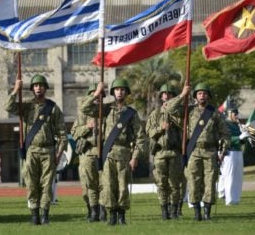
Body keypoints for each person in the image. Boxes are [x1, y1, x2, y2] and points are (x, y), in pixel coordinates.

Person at [81, 79, 146, 225]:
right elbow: (85, 108)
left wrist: (135, 157)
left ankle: (121, 215)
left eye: (122, 89)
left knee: (122, 186)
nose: (119, 92)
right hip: (107, 152)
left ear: (126, 93)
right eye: (117, 89)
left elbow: (140, 137)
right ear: (113, 92)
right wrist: (97, 93)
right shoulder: (105, 109)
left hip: (124, 153)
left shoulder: (131, 113)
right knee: (108, 185)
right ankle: (112, 216)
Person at [6, 74, 67, 225]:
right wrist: (15, 90)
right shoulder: (26, 106)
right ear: (32, 89)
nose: (38, 88)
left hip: (48, 151)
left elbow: (62, 134)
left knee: (46, 184)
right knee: (31, 183)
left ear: (46, 88)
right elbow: (8, 107)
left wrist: (58, 155)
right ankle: (34, 213)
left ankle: (45, 214)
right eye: (35, 86)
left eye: (41, 85)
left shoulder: (53, 108)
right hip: (31, 151)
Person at [165, 82, 230, 221]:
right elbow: (169, 108)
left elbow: (225, 133)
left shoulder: (214, 113)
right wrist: (183, 94)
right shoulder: (189, 111)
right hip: (193, 151)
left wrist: (223, 150)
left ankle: (207, 212)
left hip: (210, 151)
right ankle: (197, 212)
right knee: (193, 182)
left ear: (209, 96)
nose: (202, 96)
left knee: (210, 182)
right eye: (199, 93)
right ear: (195, 96)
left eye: (205, 93)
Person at [146, 83, 183, 220]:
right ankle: (164, 210)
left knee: (174, 183)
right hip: (160, 153)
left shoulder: (178, 114)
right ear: (161, 97)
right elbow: (149, 131)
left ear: (173, 97)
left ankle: (174, 211)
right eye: (164, 94)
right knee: (161, 183)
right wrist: (160, 128)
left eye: (169, 94)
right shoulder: (155, 114)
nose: (166, 96)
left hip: (174, 152)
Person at [71, 83, 105, 222]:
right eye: (93, 95)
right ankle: (93, 211)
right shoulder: (83, 114)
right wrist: (87, 127)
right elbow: (74, 133)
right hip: (87, 152)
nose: (96, 98)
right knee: (89, 185)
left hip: (103, 152)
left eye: (99, 95)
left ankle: (103, 211)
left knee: (104, 184)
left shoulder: (106, 112)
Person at [217, 108, 249, 205]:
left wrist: (244, 135)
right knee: (229, 176)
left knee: (238, 177)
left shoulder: (236, 125)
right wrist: (239, 137)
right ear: (229, 114)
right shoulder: (225, 124)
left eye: (237, 113)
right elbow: (224, 138)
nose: (236, 116)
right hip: (228, 152)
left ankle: (234, 197)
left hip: (238, 151)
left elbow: (242, 141)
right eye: (234, 114)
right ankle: (230, 199)